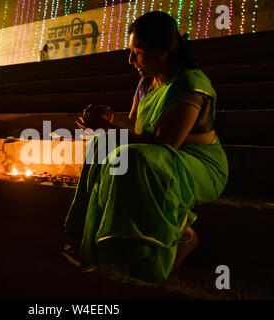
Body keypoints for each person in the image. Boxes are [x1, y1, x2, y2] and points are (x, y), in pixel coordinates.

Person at [64, 11, 229, 284]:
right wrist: (106, 121)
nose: (130, 60)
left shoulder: (191, 85)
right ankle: (93, 242)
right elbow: (139, 130)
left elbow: (165, 143)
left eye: (137, 52)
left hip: (197, 164)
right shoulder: (146, 82)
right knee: (101, 145)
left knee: (133, 156)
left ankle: (174, 237)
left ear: (163, 52)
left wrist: (110, 131)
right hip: (159, 154)